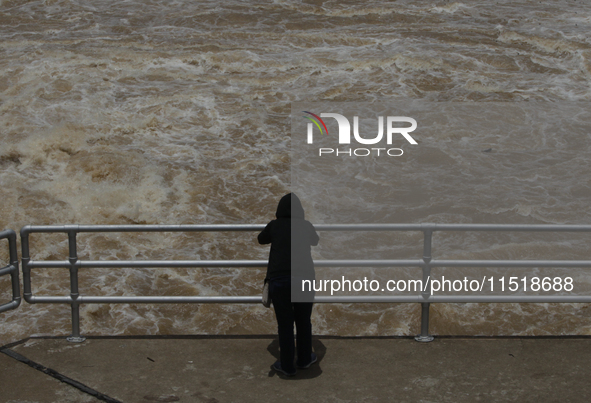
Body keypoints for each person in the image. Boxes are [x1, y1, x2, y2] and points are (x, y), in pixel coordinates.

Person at [258, 193, 319, 376]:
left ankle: (287, 366)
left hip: (280, 280)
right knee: (303, 321)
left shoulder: (274, 225)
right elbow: (315, 241)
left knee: (285, 324)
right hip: (304, 279)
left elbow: (261, 239)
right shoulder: (306, 225)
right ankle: (305, 359)